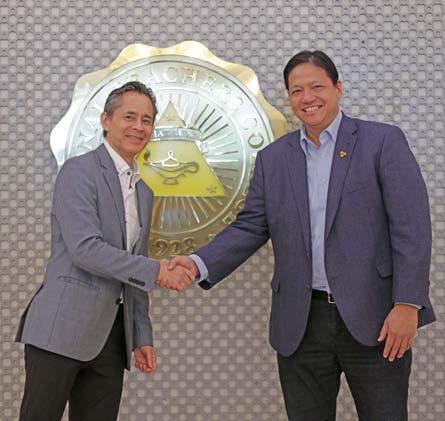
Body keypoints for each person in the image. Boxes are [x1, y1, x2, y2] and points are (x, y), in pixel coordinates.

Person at [165, 51, 436, 420]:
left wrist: (408, 304)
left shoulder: (382, 141)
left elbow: (412, 228)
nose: (307, 98)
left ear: (338, 88)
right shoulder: (273, 159)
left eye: (316, 87)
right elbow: (250, 226)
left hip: (377, 318)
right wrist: (198, 264)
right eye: (296, 91)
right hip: (301, 322)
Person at [16, 81, 193, 421]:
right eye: (129, 117)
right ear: (105, 120)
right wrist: (157, 270)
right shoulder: (78, 171)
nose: (138, 127)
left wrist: (141, 335)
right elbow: (85, 249)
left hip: (111, 339)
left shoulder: (145, 192)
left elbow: (133, 266)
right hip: (60, 330)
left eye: (146, 120)